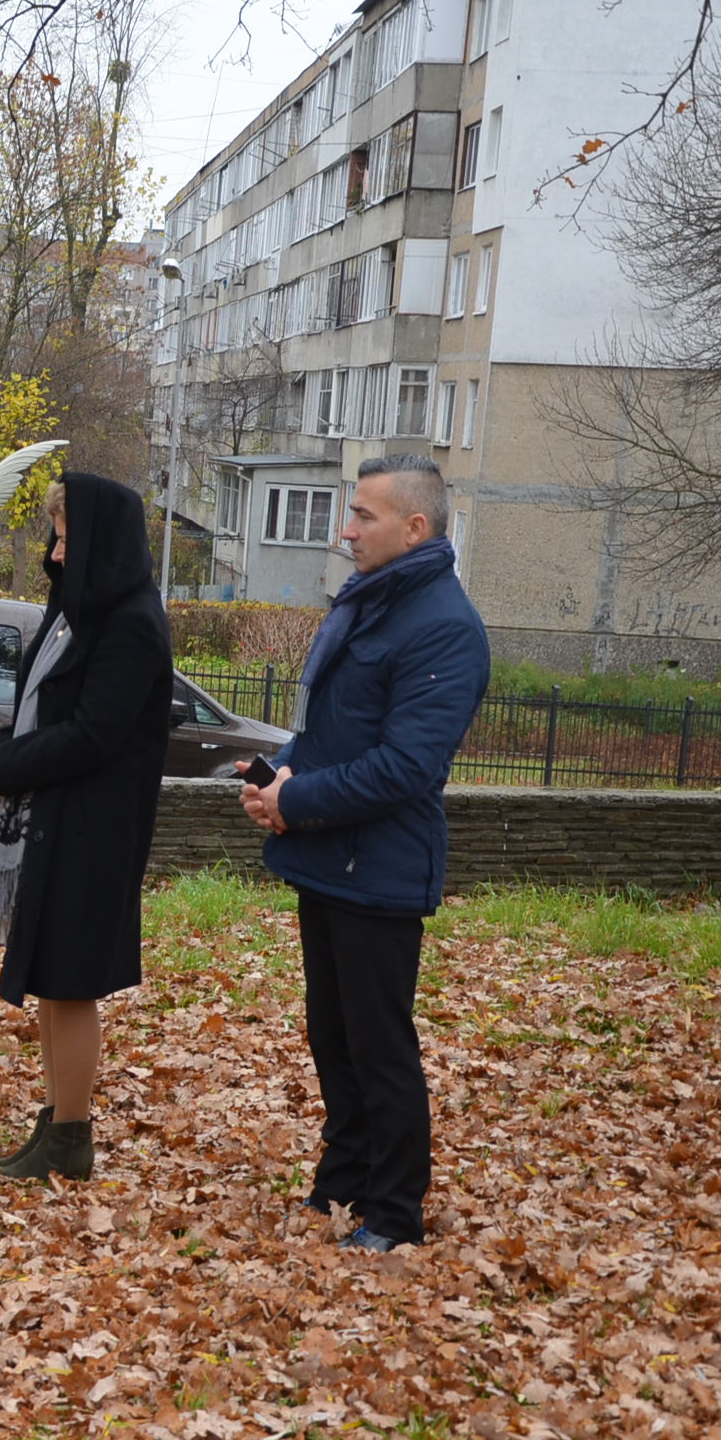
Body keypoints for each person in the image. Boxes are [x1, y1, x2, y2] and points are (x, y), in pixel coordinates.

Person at [239, 451, 489, 1252]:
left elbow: (408, 767)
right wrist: (281, 774)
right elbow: (331, 728)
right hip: (328, 859)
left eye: (364, 517)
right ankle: (342, 1179)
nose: (346, 530)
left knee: (379, 1045)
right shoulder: (369, 604)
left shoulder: (444, 627)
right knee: (332, 1033)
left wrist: (296, 800)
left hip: (378, 869)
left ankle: (394, 1210)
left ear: (415, 527)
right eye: (351, 514)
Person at [0, 476, 171, 1181]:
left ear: (103, 543)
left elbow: (94, 734)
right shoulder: (78, 613)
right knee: (51, 979)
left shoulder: (132, 624)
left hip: (96, 831)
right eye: (55, 538)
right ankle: (54, 1120)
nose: (56, 555)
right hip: (56, 822)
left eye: (66, 538)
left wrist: (8, 765)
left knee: (73, 980)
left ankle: (71, 1134)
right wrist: (7, 744)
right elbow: (44, 703)